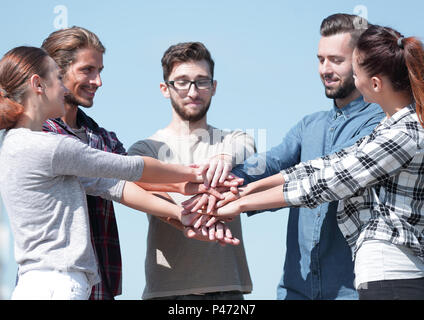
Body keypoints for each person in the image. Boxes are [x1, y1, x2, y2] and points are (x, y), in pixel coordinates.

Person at [212, 24, 424, 300]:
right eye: (320, 59)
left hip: (392, 275)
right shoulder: (387, 127)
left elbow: (330, 182)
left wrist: (240, 203)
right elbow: (324, 166)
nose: (325, 69)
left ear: (375, 83)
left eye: (341, 62)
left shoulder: (403, 132)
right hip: (376, 276)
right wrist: (241, 189)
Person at [0, 46, 228, 299]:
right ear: (37, 85)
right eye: (57, 78)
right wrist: (193, 173)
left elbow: (109, 185)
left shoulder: (12, 144)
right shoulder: (52, 147)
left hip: (35, 285)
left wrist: (179, 212)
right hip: (58, 285)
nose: (63, 88)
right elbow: (128, 168)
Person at [128, 42, 255, 300]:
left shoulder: (232, 140)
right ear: (165, 88)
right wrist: (187, 214)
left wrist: (224, 157)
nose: (193, 91)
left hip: (227, 290)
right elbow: (142, 192)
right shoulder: (145, 149)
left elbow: (247, 146)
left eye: (201, 81)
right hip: (166, 291)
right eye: (182, 82)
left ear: (214, 87)